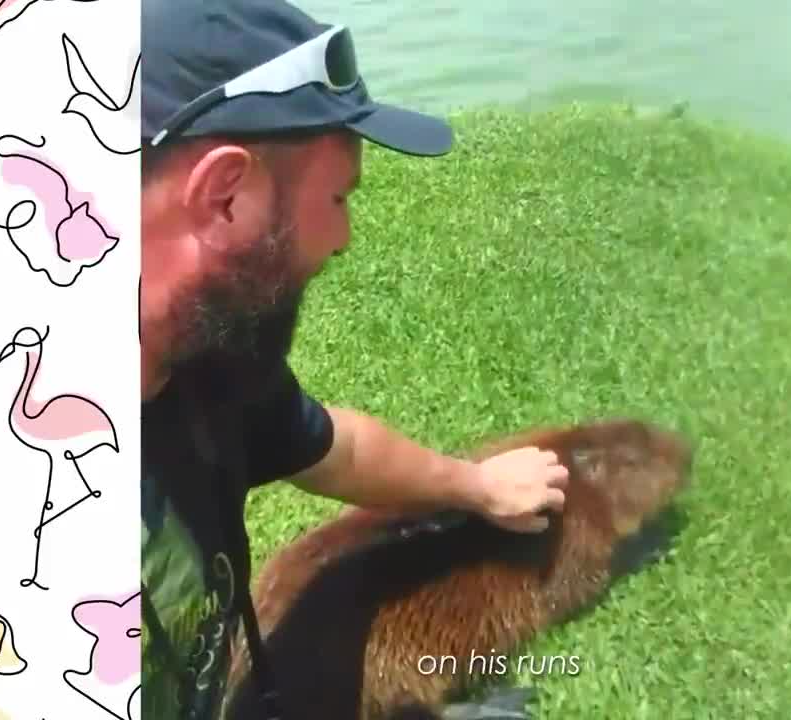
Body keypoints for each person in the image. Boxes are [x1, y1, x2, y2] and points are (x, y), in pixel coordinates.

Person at [138, 1, 570, 718]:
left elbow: (331, 448)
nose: (342, 239)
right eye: (338, 198)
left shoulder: (206, 361)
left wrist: (478, 487)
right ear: (225, 197)